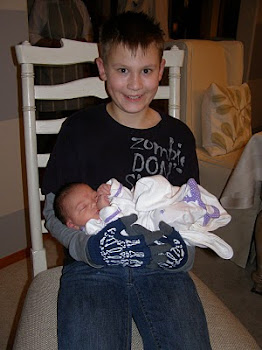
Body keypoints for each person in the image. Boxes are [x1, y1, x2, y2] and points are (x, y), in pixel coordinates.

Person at [42, 11, 212, 349]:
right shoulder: (78, 129)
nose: (135, 84)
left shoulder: (179, 137)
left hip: (162, 268)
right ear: (102, 68)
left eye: (146, 71)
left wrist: (186, 251)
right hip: (92, 265)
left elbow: (191, 208)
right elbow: (52, 212)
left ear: (161, 70)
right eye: (122, 70)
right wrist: (85, 247)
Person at [54, 176, 233, 260]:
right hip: (147, 229)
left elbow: (126, 199)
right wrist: (106, 208)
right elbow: (116, 228)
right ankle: (199, 212)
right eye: (83, 207)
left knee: (147, 186)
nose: (93, 203)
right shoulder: (92, 228)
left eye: (93, 196)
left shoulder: (102, 204)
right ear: (72, 225)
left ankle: (189, 198)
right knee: (165, 217)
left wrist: (112, 190)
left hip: (142, 210)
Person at [28, 0, 94, 152]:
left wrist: (78, 44)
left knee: (76, 133)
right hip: (50, 78)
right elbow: (32, 35)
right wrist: (56, 45)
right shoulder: (43, 4)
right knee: (49, 139)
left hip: (75, 77)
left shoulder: (79, 5)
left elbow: (88, 35)